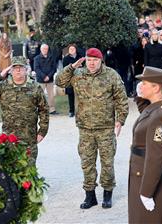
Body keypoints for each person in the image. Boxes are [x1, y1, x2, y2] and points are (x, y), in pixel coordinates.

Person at [55, 48, 129, 209]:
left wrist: (120, 120)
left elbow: (121, 99)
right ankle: (90, 196)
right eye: (89, 60)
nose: (91, 63)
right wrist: (71, 67)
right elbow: (59, 81)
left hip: (105, 128)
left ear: (101, 60)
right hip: (85, 128)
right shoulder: (78, 74)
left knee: (107, 163)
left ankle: (107, 194)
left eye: (95, 60)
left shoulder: (111, 75)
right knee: (87, 163)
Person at [129, 66, 162, 224]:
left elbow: (156, 155)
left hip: (148, 177)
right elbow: (145, 112)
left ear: (156, 87)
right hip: (141, 172)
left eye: (144, 83)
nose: (140, 86)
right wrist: (141, 95)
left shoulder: (161, 116)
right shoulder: (156, 107)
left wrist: (147, 192)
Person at [0, 56, 49, 165]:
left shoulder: (35, 87)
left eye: (21, 67)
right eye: (15, 67)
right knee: (10, 171)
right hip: (9, 137)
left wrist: (42, 132)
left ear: (26, 69)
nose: (18, 70)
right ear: (10, 70)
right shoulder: (4, 86)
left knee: (29, 171)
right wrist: (0, 76)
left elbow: (44, 110)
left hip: (29, 138)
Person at [34, 43, 58, 114]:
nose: (45, 50)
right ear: (41, 49)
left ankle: (52, 109)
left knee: (51, 95)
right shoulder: (36, 58)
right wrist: (44, 76)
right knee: (40, 96)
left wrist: (48, 76)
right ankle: (40, 110)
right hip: (41, 80)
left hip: (50, 80)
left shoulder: (51, 57)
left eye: (46, 49)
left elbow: (54, 68)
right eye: (44, 49)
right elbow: (36, 69)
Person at [62, 44, 82, 117]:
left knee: (79, 95)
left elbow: (84, 67)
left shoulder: (80, 57)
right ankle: (71, 111)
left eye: (73, 49)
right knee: (71, 95)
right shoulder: (66, 59)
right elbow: (65, 69)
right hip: (70, 79)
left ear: (76, 49)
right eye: (70, 49)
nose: (72, 50)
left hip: (79, 78)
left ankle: (79, 111)